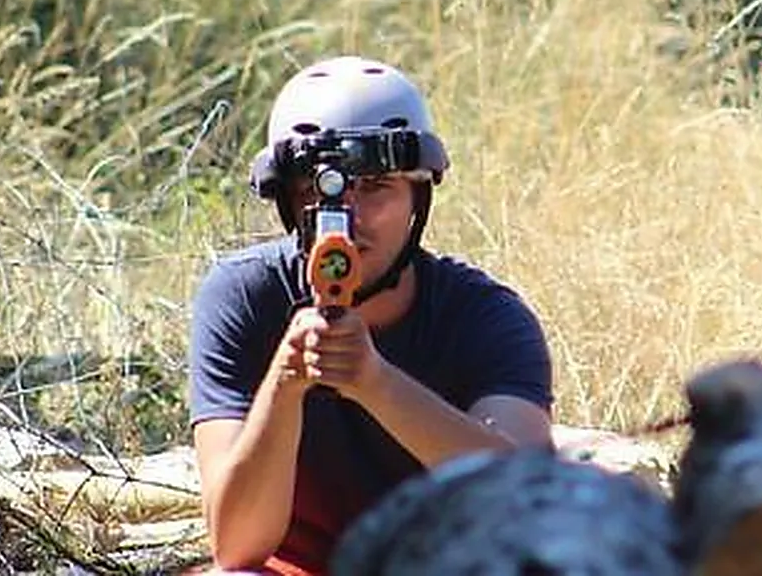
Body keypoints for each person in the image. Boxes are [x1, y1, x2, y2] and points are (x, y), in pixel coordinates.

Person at [188, 56, 555, 575]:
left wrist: (376, 382)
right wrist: (286, 383)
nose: (349, 216)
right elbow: (236, 546)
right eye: (322, 190)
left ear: (417, 199)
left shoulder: (486, 317)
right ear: (291, 203)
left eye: (378, 186)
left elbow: (526, 507)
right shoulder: (244, 297)